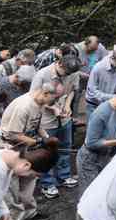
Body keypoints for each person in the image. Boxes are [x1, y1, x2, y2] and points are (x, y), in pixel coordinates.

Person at [0, 84, 58, 220]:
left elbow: (37, 124)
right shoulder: (23, 106)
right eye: (51, 99)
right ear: (44, 93)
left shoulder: (40, 103)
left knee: (30, 178)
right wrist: (33, 141)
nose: (51, 103)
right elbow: (11, 133)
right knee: (12, 186)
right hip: (11, 148)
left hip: (26, 147)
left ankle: (30, 212)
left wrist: (45, 138)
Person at [30, 54, 81, 199]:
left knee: (65, 147)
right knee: (47, 152)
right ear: (58, 63)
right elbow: (33, 97)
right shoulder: (42, 75)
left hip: (64, 118)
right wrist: (52, 109)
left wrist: (67, 105)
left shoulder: (73, 72)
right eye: (65, 73)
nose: (67, 76)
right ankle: (47, 184)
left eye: (70, 74)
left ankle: (64, 176)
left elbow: (72, 90)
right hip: (46, 119)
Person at [85, 48, 116, 122]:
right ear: (112, 59)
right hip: (94, 104)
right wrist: (112, 97)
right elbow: (92, 93)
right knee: (93, 129)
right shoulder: (98, 68)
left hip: (111, 102)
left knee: (108, 128)